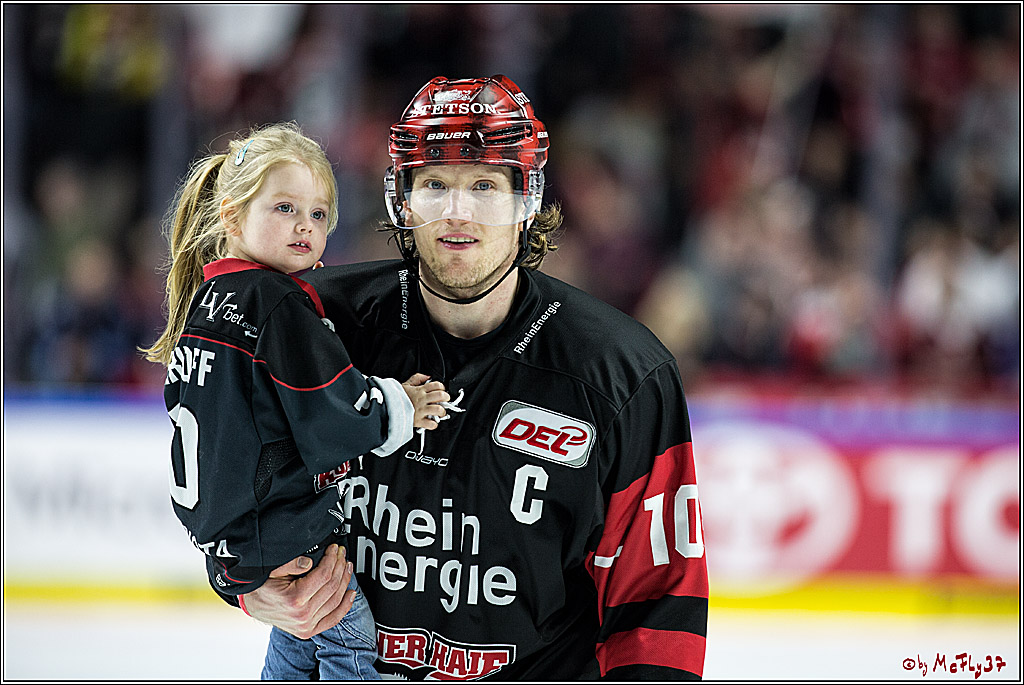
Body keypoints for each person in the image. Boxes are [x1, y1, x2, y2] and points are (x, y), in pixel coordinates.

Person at [238, 76, 709, 680]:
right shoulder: (313, 324)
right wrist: (247, 584)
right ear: (401, 199)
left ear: (526, 199)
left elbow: (659, 601)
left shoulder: (622, 374)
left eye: (485, 185)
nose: (457, 212)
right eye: (434, 185)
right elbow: (222, 460)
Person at [142, 122, 451, 680]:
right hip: (284, 532)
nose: (305, 227)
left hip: (237, 542)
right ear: (232, 216)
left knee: (296, 643)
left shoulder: (207, 301)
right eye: (285, 208)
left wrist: (232, 562)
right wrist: (402, 404)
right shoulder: (275, 302)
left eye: (318, 215)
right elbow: (332, 414)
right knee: (349, 635)